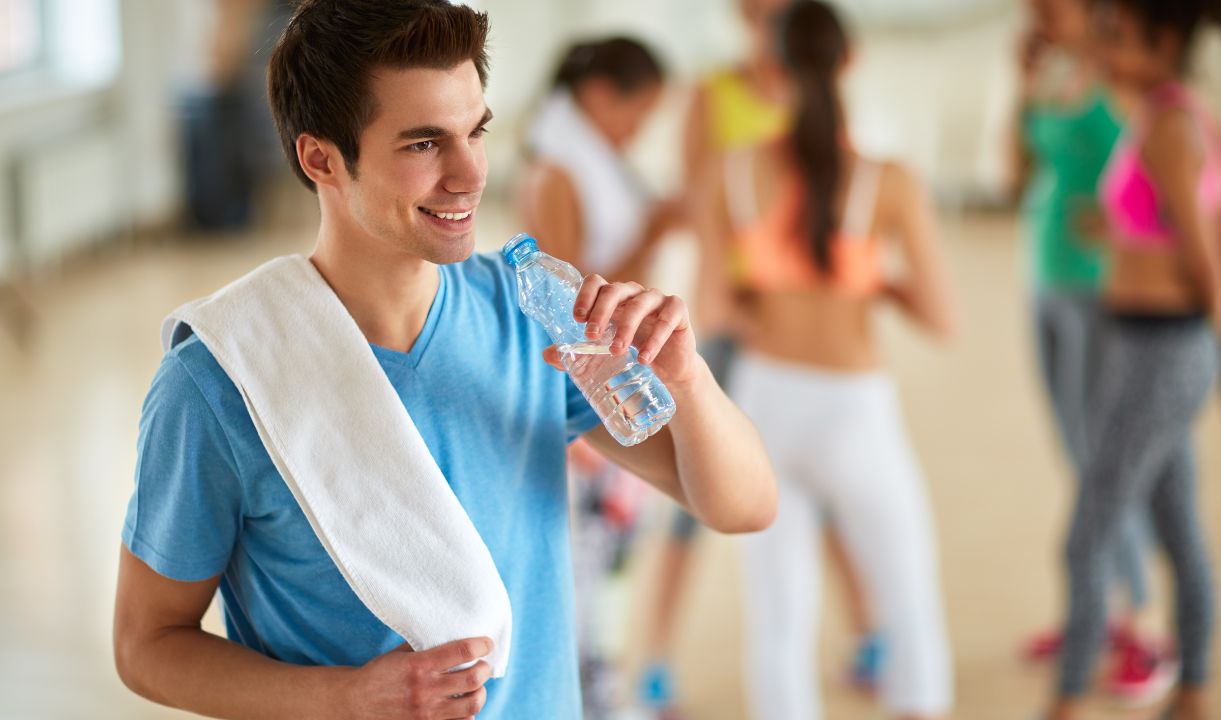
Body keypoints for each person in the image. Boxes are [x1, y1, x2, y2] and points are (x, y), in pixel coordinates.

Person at [111, 3, 777, 719]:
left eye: (476, 132)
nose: (469, 174)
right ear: (321, 158)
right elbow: (147, 644)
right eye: (424, 144)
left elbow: (743, 504)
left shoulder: (530, 318)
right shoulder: (221, 381)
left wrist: (687, 377)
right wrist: (347, 698)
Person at [700, 2, 955, 718]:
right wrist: (882, 284)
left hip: (764, 405)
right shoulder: (889, 182)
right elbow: (944, 318)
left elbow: (713, 309)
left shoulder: (734, 174)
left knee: (779, 622)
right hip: (855, 409)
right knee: (908, 605)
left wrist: (766, 291)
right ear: (852, 61)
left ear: (771, 69)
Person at [637, 1, 883, 711]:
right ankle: (655, 659)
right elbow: (697, 204)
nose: (770, 20)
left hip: (802, 328)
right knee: (687, 492)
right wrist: (731, 297)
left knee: (819, 480)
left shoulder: (820, 93)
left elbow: (834, 216)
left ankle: (868, 633)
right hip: (726, 323)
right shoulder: (712, 96)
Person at [1045, 0, 1221, 718]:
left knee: (1086, 539)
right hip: (1145, 344)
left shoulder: (1171, 126)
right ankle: (1193, 688)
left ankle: (1066, 701)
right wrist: (1115, 230)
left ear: (1162, 42)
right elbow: (1210, 234)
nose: (1099, 46)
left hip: (1164, 351)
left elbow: (1208, 257)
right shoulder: (1170, 115)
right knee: (1175, 524)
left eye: (1115, 35)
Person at [1007, 0, 1171, 703]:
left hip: (1103, 289)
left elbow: (1171, 176)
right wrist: (1021, 85)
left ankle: (1144, 628)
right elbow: (1014, 170)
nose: (1037, 10)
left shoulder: (1124, 74)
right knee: (1075, 451)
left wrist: (1117, 219)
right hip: (1044, 277)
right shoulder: (1048, 71)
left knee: (1104, 458)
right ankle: (1097, 614)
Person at [519, 36, 678, 717]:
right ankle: (593, 702)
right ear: (599, 97)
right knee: (586, 569)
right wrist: (657, 230)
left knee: (610, 556)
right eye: (636, 113)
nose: (638, 131)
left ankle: (602, 694)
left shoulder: (592, 161)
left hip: (620, 383)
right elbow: (570, 308)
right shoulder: (556, 174)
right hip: (590, 394)